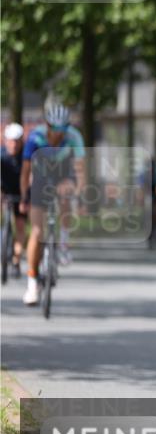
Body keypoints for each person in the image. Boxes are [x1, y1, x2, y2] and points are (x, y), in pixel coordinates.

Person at [20, 104, 86, 305]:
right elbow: (25, 171)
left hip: (64, 175)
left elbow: (81, 171)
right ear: (47, 126)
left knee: (66, 194)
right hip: (40, 179)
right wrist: (24, 196)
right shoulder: (35, 138)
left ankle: (63, 242)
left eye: (64, 129)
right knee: (37, 233)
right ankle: (32, 282)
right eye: (56, 129)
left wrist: (80, 196)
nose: (59, 134)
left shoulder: (74, 137)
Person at [1, 123, 27, 277]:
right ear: (5, 141)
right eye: (11, 141)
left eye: (17, 141)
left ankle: (16, 261)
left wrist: (26, 197)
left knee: (20, 226)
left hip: (21, 194)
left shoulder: (26, 157)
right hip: (4, 191)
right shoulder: (1, 155)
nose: (14, 144)